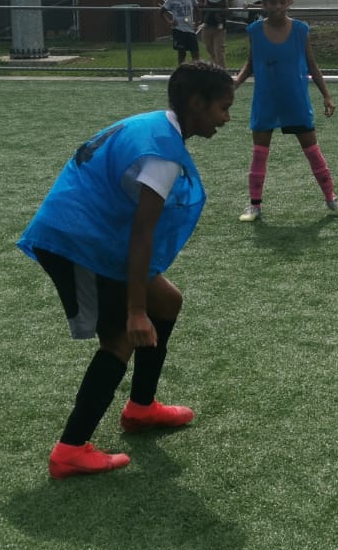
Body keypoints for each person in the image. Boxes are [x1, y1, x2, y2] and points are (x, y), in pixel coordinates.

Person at [17, 61, 235, 478]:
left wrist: (145, 304)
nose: (227, 118)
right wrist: (136, 310)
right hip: (76, 241)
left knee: (167, 302)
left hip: (93, 234)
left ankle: (141, 409)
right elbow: (142, 235)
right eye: (222, 107)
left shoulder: (159, 125)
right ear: (196, 103)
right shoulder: (162, 155)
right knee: (121, 337)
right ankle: (70, 449)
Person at [232, 0, 338, 221]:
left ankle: (331, 198)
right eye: (272, 2)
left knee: (313, 153)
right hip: (266, 101)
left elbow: (312, 64)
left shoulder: (300, 30)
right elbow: (251, 63)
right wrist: (235, 83)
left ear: (289, 3)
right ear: (263, 4)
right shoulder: (255, 30)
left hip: (295, 101)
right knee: (259, 154)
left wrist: (326, 95)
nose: (277, 7)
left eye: (282, 2)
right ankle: (254, 205)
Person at [161, 0, 200, 67]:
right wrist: (169, 22)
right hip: (179, 30)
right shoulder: (171, 0)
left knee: (195, 52)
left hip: (190, 29)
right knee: (182, 53)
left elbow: (197, 10)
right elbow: (162, 11)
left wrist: (197, 22)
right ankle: (182, 71)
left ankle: (197, 71)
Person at [201, 0, 229, 68]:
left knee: (219, 50)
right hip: (208, 25)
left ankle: (222, 70)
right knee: (209, 47)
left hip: (219, 27)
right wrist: (205, 3)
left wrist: (226, 6)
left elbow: (225, 2)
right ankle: (214, 66)